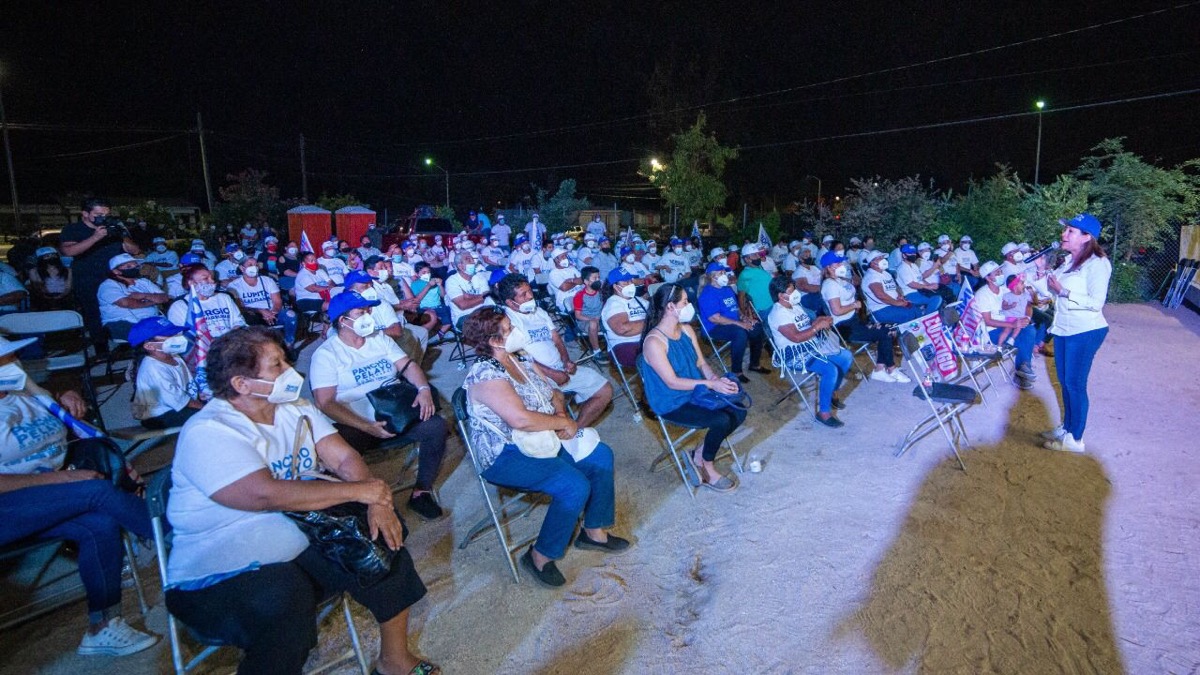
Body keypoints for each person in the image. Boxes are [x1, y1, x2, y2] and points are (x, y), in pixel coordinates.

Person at [164, 327, 437, 675]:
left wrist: (377, 500)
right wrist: (359, 491)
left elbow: (343, 458)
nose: (290, 372)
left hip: (297, 540)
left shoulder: (294, 407)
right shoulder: (210, 431)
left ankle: (394, 660)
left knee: (380, 537)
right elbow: (262, 494)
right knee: (283, 597)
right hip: (219, 572)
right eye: (276, 366)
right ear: (241, 384)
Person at [0, 336, 159, 656]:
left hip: (47, 498)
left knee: (99, 524)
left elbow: (61, 383)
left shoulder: (25, 392)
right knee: (96, 492)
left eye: (12, 353)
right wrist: (63, 478)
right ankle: (179, 540)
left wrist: (67, 391)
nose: (14, 360)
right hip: (9, 508)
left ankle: (102, 627)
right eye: (4, 358)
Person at [461, 308, 630, 587]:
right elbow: (520, 419)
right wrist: (558, 423)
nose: (516, 329)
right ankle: (539, 556)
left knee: (600, 457)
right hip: (506, 453)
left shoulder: (522, 357)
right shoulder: (485, 374)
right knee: (573, 485)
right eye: (508, 327)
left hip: (542, 438)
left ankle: (593, 531)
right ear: (494, 340)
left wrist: (562, 415)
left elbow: (551, 390)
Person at [309, 293, 449, 521]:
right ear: (343, 321)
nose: (368, 316)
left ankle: (421, 491)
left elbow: (408, 365)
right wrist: (366, 426)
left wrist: (423, 389)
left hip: (395, 411)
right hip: (355, 421)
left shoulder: (379, 339)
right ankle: (364, 504)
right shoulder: (326, 354)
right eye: (360, 312)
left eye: (368, 311)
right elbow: (325, 402)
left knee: (436, 427)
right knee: (334, 453)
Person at [638, 284, 744, 492]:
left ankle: (700, 454)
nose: (689, 306)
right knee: (720, 420)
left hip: (697, 391)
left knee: (738, 410)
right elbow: (672, 382)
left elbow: (701, 363)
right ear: (670, 307)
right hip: (672, 401)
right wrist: (711, 384)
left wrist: (717, 381)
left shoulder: (686, 330)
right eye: (685, 302)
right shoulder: (654, 342)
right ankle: (707, 467)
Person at [498, 274, 613, 429]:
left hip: (560, 368)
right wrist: (552, 374)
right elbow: (518, 356)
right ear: (510, 303)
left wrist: (566, 361)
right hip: (537, 376)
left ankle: (575, 429)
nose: (530, 296)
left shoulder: (539, 312)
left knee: (604, 390)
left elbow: (557, 340)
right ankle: (564, 431)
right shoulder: (508, 320)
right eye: (523, 295)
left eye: (530, 291)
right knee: (557, 408)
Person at [1042, 213, 1112, 454]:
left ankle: (1075, 440)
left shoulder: (1098, 264)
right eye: (1065, 230)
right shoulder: (1068, 261)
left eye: (1070, 231)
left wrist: (1064, 292)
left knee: (1075, 384)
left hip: (1085, 331)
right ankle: (1067, 428)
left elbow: (1096, 302)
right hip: (1064, 328)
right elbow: (1054, 293)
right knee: (1065, 382)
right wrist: (1045, 277)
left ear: (1086, 237)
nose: (1064, 234)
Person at [766, 276, 853, 427]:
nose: (795, 292)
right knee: (830, 369)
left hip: (811, 345)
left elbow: (806, 325)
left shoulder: (794, 306)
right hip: (794, 354)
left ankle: (831, 391)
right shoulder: (778, 313)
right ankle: (824, 413)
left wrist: (820, 321)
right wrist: (816, 327)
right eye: (791, 290)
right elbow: (796, 337)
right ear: (781, 295)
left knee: (846, 356)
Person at [60, 198, 142, 353]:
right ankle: (100, 346)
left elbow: (135, 250)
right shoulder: (73, 229)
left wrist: (122, 233)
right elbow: (68, 251)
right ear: (85, 214)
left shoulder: (113, 229)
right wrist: (95, 237)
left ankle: (123, 341)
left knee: (120, 308)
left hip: (114, 278)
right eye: (98, 214)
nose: (103, 217)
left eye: (106, 214)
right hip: (88, 277)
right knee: (93, 312)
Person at [820, 252, 910, 383]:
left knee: (889, 328)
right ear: (828, 267)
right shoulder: (829, 285)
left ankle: (880, 369)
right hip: (844, 327)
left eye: (841, 262)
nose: (842, 265)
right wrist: (854, 305)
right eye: (838, 263)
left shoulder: (840, 280)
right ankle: (891, 368)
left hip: (855, 321)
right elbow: (837, 310)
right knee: (885, 331)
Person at [697, 262, 769, 382]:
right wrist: (740, 324)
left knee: (756, 326)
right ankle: (736, 371)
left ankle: (754, 364)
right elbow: (715, 318)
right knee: (740, 333)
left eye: (725, 272)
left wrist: (745, 318)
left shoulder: (727, 289)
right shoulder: (707, 293)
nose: (725, 275)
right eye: (721, 273)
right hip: (714, 327)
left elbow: (735, 308)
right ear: (712, 276)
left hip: (732, 323)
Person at [972, 261, 1038, 390]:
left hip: (1010, 324)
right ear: (988, 278)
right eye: (997, 273)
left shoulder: (1004, 290)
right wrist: (1012, 324)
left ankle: (1024, 368)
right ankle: (1022, 371)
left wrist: (1026, 317)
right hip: (993, 331)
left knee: (1029, 330)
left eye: (1000, 271)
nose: (1001, 274)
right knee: (1022, 339)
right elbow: (988, 321)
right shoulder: (982, 295)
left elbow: (1027, 304)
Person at [129, 317, 202, 429]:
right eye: (169, 336)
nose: (176, 337)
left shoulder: (175, 357)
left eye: (175, 333)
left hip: (179, 406)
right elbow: (182, 402)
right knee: (209, 416)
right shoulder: (153, 369)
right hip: (159, 416)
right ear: (149, 346)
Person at [97, 254, 170, 341]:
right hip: (120, 322)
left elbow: (165, 298)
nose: (134, 268)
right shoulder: (108, 285)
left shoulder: (144, 282)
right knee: (158, 338)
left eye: (136, 265)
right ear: (116, 271)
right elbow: (127, 303)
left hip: (150, 319)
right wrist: (153, 299)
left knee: (177, 331)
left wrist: (143, 295)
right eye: (128, 266)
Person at [227, 256, 297, 345]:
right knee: (249, 319)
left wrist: (273, 312)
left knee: (290, 314)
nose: (254, 267)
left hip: (272, 313)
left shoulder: (268, 281)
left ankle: (289, 343)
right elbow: (239, 308)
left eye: (255, 265)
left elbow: (277, 301)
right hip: (252, 314)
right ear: (242, 268)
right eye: (250, 265)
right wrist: (260, 311)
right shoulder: (234, 286)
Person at [168, 265, 248, 339]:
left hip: (229, 343)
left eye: (212, 278)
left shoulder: (224, 298)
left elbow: (239, 321)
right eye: (205, 279)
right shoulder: (179, 306)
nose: (212, 281)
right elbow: (180, 336)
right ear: (191, 283)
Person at [860, 250, 921, 324]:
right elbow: (880, 295)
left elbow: (895, 287)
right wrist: (898, 303)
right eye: (879, 258)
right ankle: (902, 333)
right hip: (881, 308)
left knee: (915, 309)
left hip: (893, 304)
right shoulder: (871, 276)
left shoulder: (886, 273)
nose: (883, 259)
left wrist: (900, 296)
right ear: (872, 263)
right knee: (908, 314)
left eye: (883, 257)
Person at [445, 252, 495, 329]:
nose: (473, 262)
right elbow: (463, 305)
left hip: (482, 312)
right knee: (486, 325)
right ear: (460, 266)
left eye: (472, 259)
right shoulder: (452, 281)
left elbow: (487, 295)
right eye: (468, 259)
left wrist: (468, 296)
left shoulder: (480, 277)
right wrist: (483, 297)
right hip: (463, 316)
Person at [601, 269, 648, 351]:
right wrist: (651, 322)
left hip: (647, 340)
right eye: (625, 282)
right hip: (626, 344)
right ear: (615, 286)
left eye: (630, 281)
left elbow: (658, 314)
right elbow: (622, 329)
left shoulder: (640, 300)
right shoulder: (613, 303)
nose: (630, 284)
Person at [571, 266, 609, 364]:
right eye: (594, 278)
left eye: (598, 277)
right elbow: (578, 315)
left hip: (600, 319)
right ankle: (596, 352)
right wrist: (593, 319)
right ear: (586, 282)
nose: (598, 280)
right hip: (585, 321)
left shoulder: (600, 292)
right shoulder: (580, 295)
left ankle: (614, 349)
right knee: (593, 324)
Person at [895, 244, 943, 314]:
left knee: (940, 296)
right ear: (904, 255)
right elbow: (912, 284)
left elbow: (920, 279)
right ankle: (927, 317)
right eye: (910, 253)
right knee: (936, 299)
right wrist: (927, 287)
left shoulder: (914, 265)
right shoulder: (902, 268)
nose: (913, 254)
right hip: (910, 294)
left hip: (919, 291)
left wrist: (930, 285)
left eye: (914, 252)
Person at [735, 242, 774, 325]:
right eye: (754, 255)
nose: (758, 257)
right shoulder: (745, 275)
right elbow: (741, 297)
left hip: (775, 304)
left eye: (758, 254)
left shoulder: (760, 268)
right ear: (747, 259)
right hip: (764, 310)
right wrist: (745, 316)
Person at [547, 248, 585, 313]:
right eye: (562, 256)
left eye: (566, 256)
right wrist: (575, 281)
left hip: (581, 296)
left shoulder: (572, 268)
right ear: (556, 260)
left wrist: (571, 281)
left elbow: (582, 280)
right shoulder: (553, 273)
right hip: (567, 301)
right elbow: (564, 288)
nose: (566, 258)